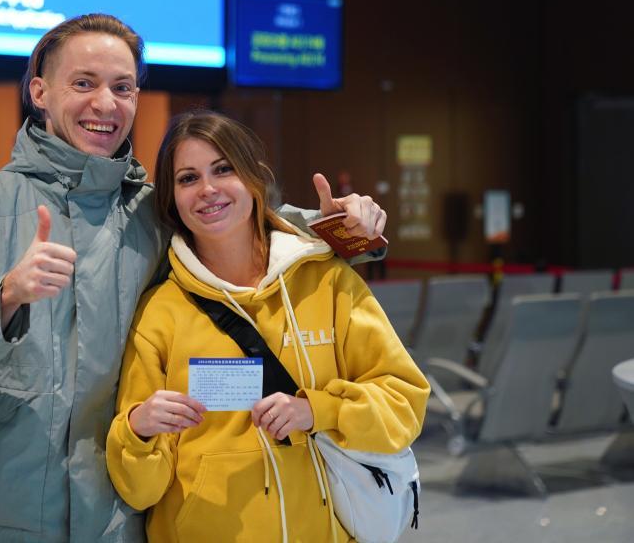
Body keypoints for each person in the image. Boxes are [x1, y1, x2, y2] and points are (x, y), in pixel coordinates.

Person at [0, 14, 388, 542]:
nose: (105, 104)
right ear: (40, 93)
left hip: (113, 520)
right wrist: (6, 297)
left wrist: (345, 228)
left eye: (122, 87)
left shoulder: (149, 215)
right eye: (83, 83)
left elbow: (246, 227)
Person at [106, 110, 429, 542]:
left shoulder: (326, 281)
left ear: (254, 178)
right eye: (188, 178)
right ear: (172, 199)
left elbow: (404, 403)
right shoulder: (160, 313)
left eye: (223, 169)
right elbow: (140, 490)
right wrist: (138, 430)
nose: (207, 189)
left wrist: (318, 411)